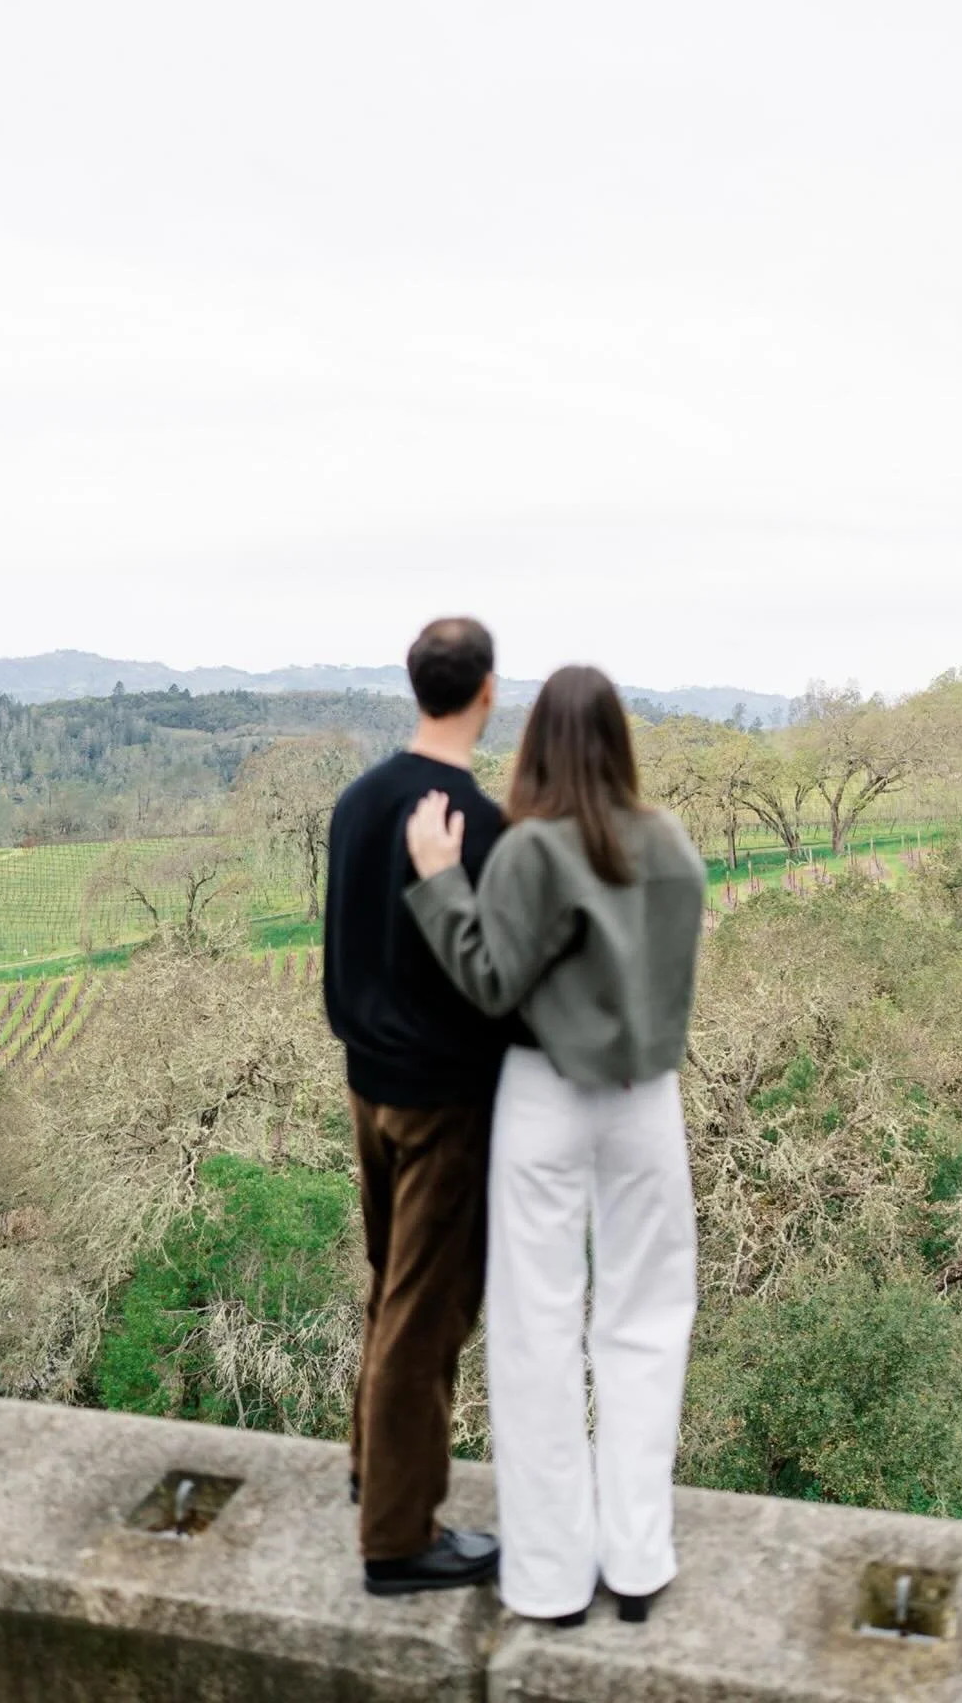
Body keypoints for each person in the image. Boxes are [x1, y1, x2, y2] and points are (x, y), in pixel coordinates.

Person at [403, 665, 705, 1627]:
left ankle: (550, 1579)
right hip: (647, 1099)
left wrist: (440, 880)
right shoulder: (671, 843)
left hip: (544, 1093)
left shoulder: (533, 848)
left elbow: (489, 981)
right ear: (621, 739)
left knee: (538, 1328)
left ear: (536, 743)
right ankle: (638, 1562)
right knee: (648, 1319)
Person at [323, 617, 510, 1596]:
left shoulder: (357, 802)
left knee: (388, 1284)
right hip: (444, 1102)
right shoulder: (478, 823)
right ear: (486, 691)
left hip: (366, 1085)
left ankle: (374, 1469)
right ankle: (397, 1539)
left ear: (415, 685)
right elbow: (492, 981)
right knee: (425, 1314)